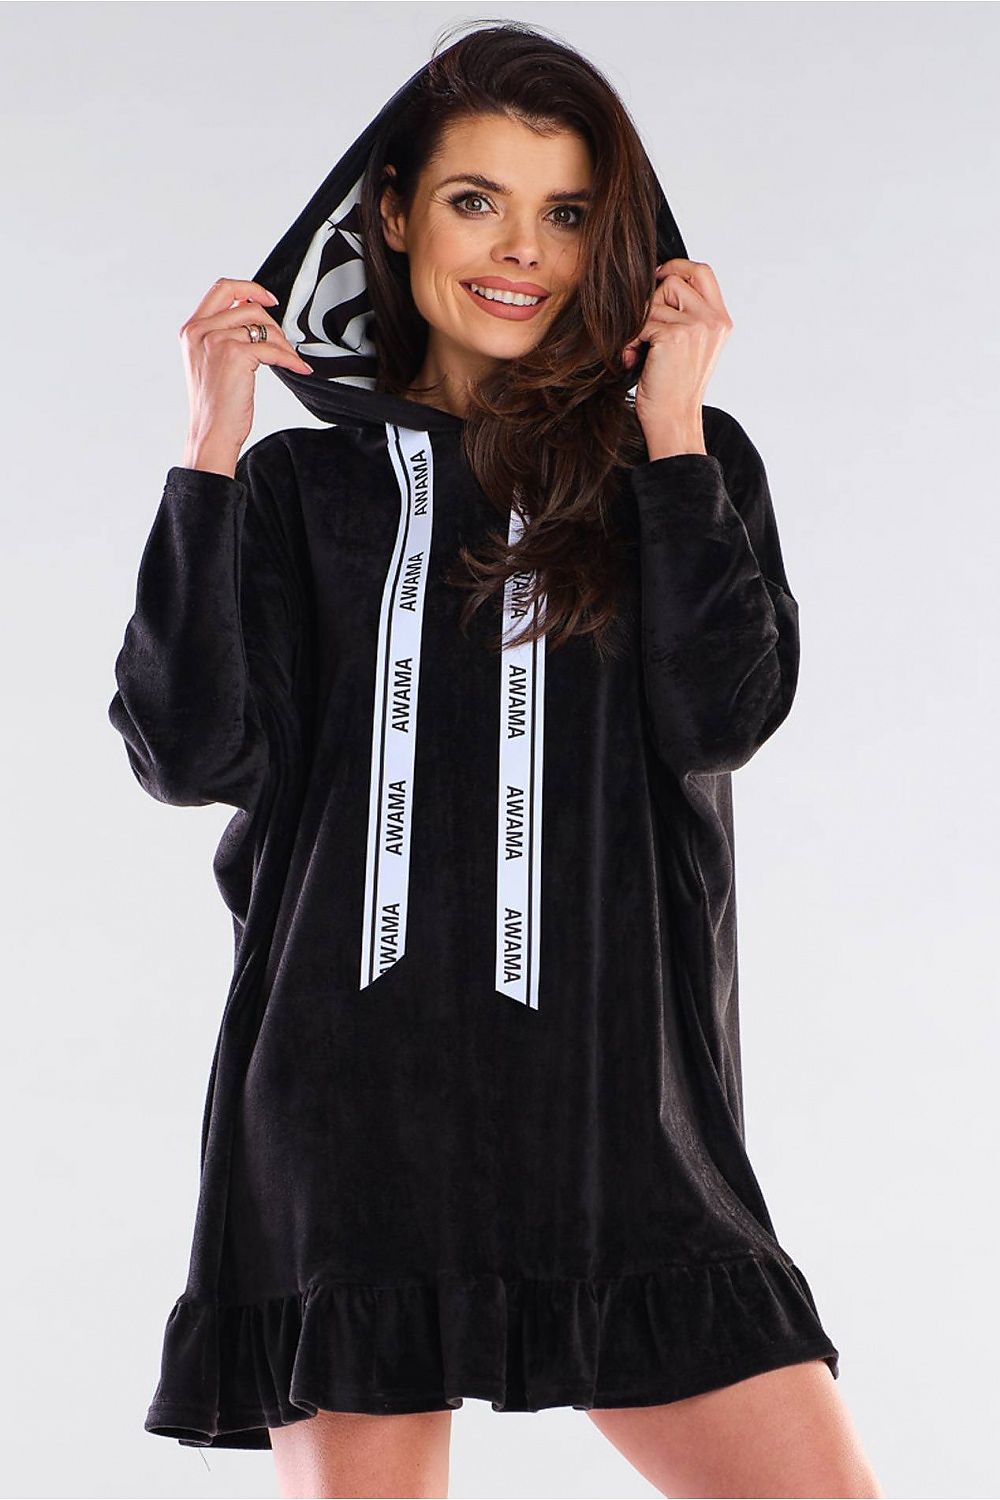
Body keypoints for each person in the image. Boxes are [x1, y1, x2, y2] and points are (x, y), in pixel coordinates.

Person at [107, 20, 883, 1500]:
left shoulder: (681, 465)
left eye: (568, 212)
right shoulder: (295, 487)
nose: (524, 250)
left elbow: (724, 715)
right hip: (346, 1114)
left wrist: (671, 426)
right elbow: (187, 748)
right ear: (396, 215)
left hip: (620, 1118)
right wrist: (209, 445)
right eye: (478, 201)